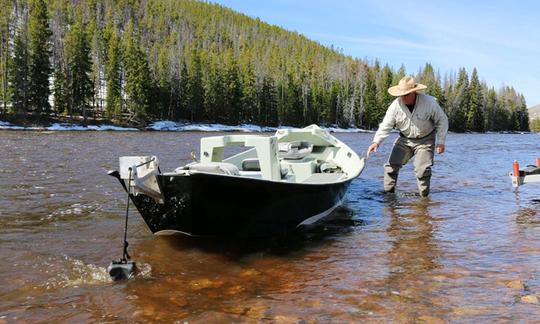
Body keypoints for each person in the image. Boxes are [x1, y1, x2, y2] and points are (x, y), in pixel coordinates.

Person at [367, 76, 448, 197]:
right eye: (401, 94)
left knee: (422, 170)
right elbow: (386, 125)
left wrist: (441, 142)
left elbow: (442, 120)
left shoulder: (429, 102)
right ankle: (388, 197)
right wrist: (376, 141)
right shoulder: (395, 106)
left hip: (425, 140)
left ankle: (424, 200)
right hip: (404, 139)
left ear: (414, 92)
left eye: (406, 94)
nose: (403, 97)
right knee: (390, 167)